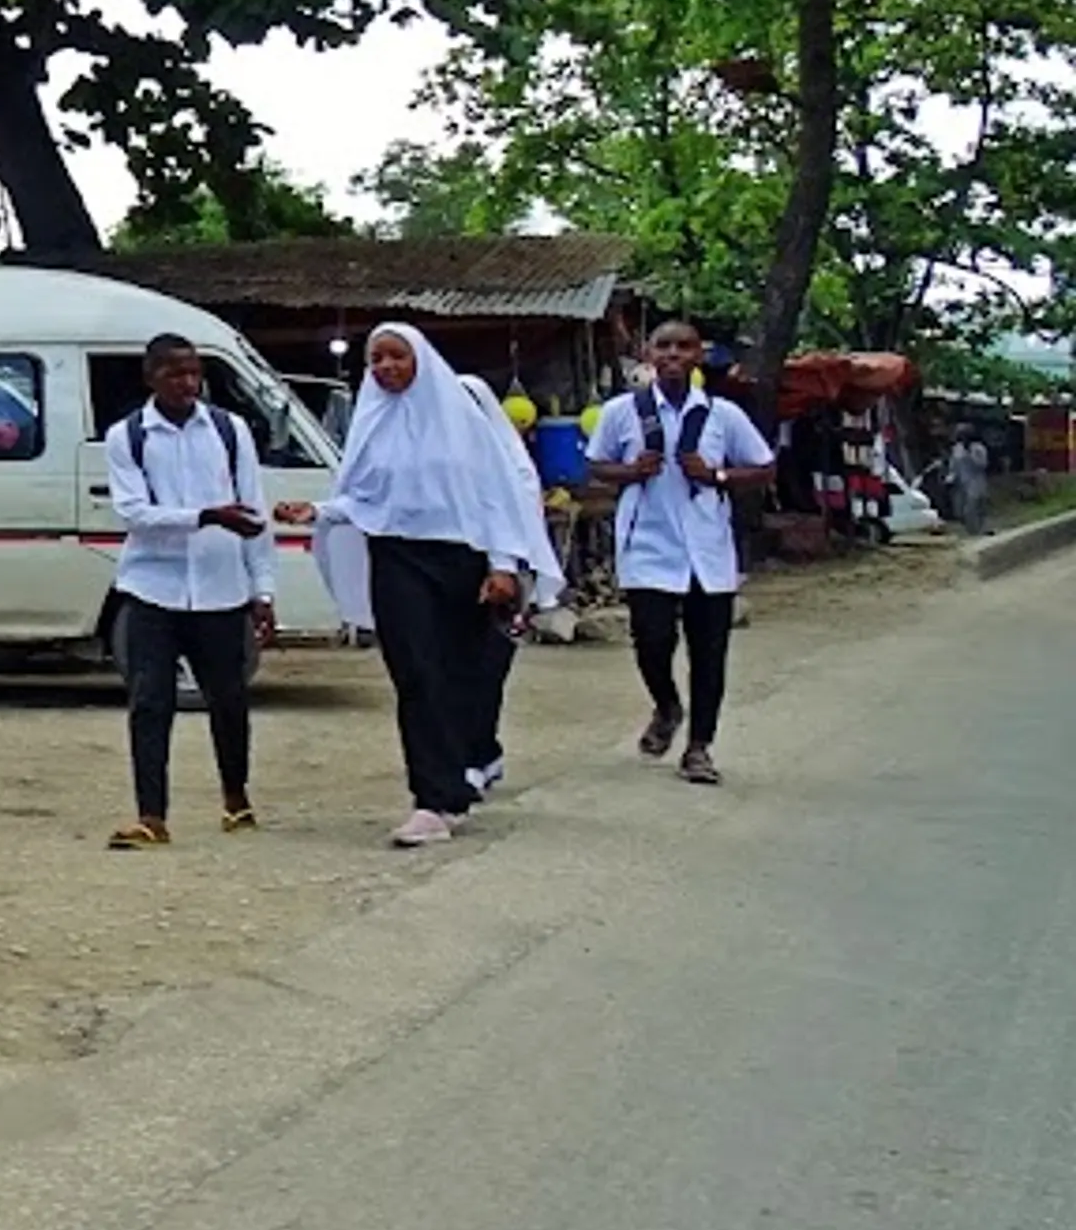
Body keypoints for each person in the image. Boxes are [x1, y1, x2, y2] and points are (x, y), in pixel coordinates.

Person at [286, 320, 554, 849]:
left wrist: (502, 563)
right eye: (376, 359)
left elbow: (496, 492)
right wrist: (317, 510)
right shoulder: (373, 423)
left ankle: (461, 777)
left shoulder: (461, 419)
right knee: (414, 672)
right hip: (396, 557)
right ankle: (431, 799)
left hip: (463, 558)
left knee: (461, 673)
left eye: (396, 357)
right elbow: (363, 497)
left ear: (420, 360)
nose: (385, 367)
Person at [99, 332, 274, 849]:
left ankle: (235, 798)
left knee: (229, 698)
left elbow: (253, 510)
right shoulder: (128, 436)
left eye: (195, 373)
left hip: (220, 589)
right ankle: (152, 815)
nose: (188, 384)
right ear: (151, 377)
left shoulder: (228, 430)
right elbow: (134, 513)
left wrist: (261, 589)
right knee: (150, 700)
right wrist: (205, 516)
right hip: (152, 586)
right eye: (175, 373)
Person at [591, 318, 777, 785]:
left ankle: (699, 747)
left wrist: (717, 476)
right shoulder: (622, 412)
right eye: (664, 346)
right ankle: (667, 705)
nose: (674, 354)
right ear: (649, 354)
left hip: (706, 549)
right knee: (651, 640)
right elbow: (596, 465)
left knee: (709, 652)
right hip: (648, 544)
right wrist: (630, 471)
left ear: (699, 355)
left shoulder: (721, 415)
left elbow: (762, 467)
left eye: (684, 347)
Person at [455, 371, 568, 803]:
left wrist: (507, 569)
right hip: (448, 572)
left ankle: (478, 752)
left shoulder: (510, 465)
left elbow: (520, 522)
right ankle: (470, 753)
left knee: (485, 670)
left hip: (501, 579)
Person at [939, 425, 994, 538]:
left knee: (973, 507)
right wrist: (949, 479)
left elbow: (983, 464)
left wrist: (970, 455)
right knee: (959, 510)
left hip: (976, 482)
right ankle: (972, 530)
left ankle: (979, 531)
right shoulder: (957, 449)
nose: (962, 438)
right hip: (960, 484)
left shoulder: (978, 448)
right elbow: (953, 466)